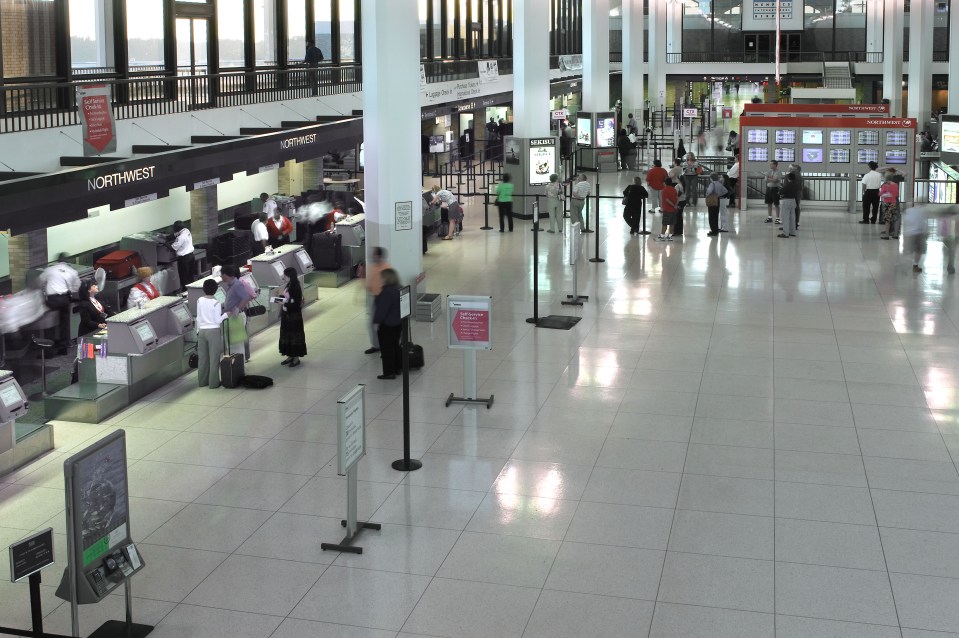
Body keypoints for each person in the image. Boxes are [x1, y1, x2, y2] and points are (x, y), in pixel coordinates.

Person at [40, 253, 81, 354]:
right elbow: (77, 285)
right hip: (64, 299)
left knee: (49, 324)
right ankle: (63, 349)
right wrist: (70, 289)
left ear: (58, 260)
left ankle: (48, 351)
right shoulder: (72, 271)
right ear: (68, 261)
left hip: (52, 299)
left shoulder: (50, 269)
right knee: (65, 324)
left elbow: (41, 281)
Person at [196, 279, 227, 389]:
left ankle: (202, 381)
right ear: (215, 290)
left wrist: (198, 331)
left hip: (202, 331)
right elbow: (218, 320)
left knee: (203, 358)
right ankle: (213, 383)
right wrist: (226, 315)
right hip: (213, 331)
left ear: (204, 289)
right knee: (214, 358)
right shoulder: (216, 303)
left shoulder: (199, 300)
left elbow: (198, 317)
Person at [373, 268, 402, 380]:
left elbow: (382, 310)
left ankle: (389, 372)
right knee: (395, 346)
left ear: (386, 279)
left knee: (387, 349)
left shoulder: (386, 292)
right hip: (398, 324)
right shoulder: (399, 288)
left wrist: (376, 321)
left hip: (387, 325)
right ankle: (397, 368)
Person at [221, 264, 255, 361]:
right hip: (233, 318)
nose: (220, 277)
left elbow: (246, 297)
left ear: (226, 275)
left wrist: (237, 309)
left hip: (236, 318)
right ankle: (237, 366)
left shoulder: (237, 285)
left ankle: (239, 367)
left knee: (236, 346)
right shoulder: (232, 285)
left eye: (221, 274)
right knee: (233, 345)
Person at [364, 247, 391, 354]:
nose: (372, 256)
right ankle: (376, 345)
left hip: (383, 299)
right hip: (374, 297)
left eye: (374, 255)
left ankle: (386, 345)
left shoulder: (387, 268)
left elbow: (390, 284)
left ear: (379, 256)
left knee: (384, 324)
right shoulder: (372, 267)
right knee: (371, 323)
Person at [278, 267, 306, 367]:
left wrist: (286, 304)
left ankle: (296, 358)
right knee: (287, 336)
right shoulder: (289, 284)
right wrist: (280, 299)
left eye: (285, 275)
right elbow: (287, 298)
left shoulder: (296, 287)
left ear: (290, 276)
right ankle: (290, 355)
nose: (284, 277)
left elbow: (296, 302)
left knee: (294, 336)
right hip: (287, 316)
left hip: (293, 316)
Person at [901, 205, 929, 273]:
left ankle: (904, 266)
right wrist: (926, 232)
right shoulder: (921, 211)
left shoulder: (907, 212)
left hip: (908, 234)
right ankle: (915, 266)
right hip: (917, 234)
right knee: (918, 251)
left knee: (908, 251)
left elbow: (905, 224)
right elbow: (922, 223)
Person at [170, 221, 195, 293]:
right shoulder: (186, 230)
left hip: (184, 259)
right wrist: (169, 236)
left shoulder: (180, 238)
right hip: (191, 256)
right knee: (190, 275)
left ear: (176, 228)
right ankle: (192, 290)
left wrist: (165, 244)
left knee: (184, 276)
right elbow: (176, 234)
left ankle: (185, 292)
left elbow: (172, 248)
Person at [704, 172, 728, 237]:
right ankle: (716, 230)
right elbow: (725, 191)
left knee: (711, 216)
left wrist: (707, 194)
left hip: (712, 201)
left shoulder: (712, 184)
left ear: (711, 178)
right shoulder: (720, 184)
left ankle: (713, 231)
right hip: (717, 200)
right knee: (715, 216)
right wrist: (718, 195)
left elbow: (709, 191)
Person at [879, 172, 901, 240]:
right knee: (896, 218)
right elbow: (897, 194)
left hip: (887, 203)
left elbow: (880, 193)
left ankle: (887, 235)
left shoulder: (885, 185)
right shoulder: (895, 185)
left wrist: (886, 195)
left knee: (887, 219)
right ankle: (896, 234)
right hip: (894, 202)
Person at [777, 172, 799, 238]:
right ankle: (792, 232)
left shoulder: (788, 185)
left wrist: (780, 190)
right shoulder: (796, 185)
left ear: (788, 178)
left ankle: (785, 233)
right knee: (792, 217)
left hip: (787, 201)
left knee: (785, 217)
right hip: (793, 201)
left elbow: (781, 192)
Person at [940, 207, 958, 275]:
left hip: (948, 237)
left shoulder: (946, 218)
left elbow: (943, 230)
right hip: (953, 237)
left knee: (951, 252)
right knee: (952, 252)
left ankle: (950, 266)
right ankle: (950, 267)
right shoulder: (956, 218)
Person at [764, 160, 782, 224]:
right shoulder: (769, 171)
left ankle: (777, 218)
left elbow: (775, 180)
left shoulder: (779, 172)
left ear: (775, 165)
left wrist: (769, 178)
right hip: (769, 189)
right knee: (769, 203)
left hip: (775, 189)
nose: (770, 165)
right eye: (770, 164)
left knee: (776, 204)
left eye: (771, 164)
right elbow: (765, 179)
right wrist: (770, 178)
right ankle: (769, 217)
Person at [789, 164, 803, 228]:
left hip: (793, 194)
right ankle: (796, 223)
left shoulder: (793, 174)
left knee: (793, 208)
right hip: (798, 193)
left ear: (795, 168)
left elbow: (790, 184)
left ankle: (792, 224)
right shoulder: (799, 175)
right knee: (796, 208)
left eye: (791, 168)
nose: (789, 169)